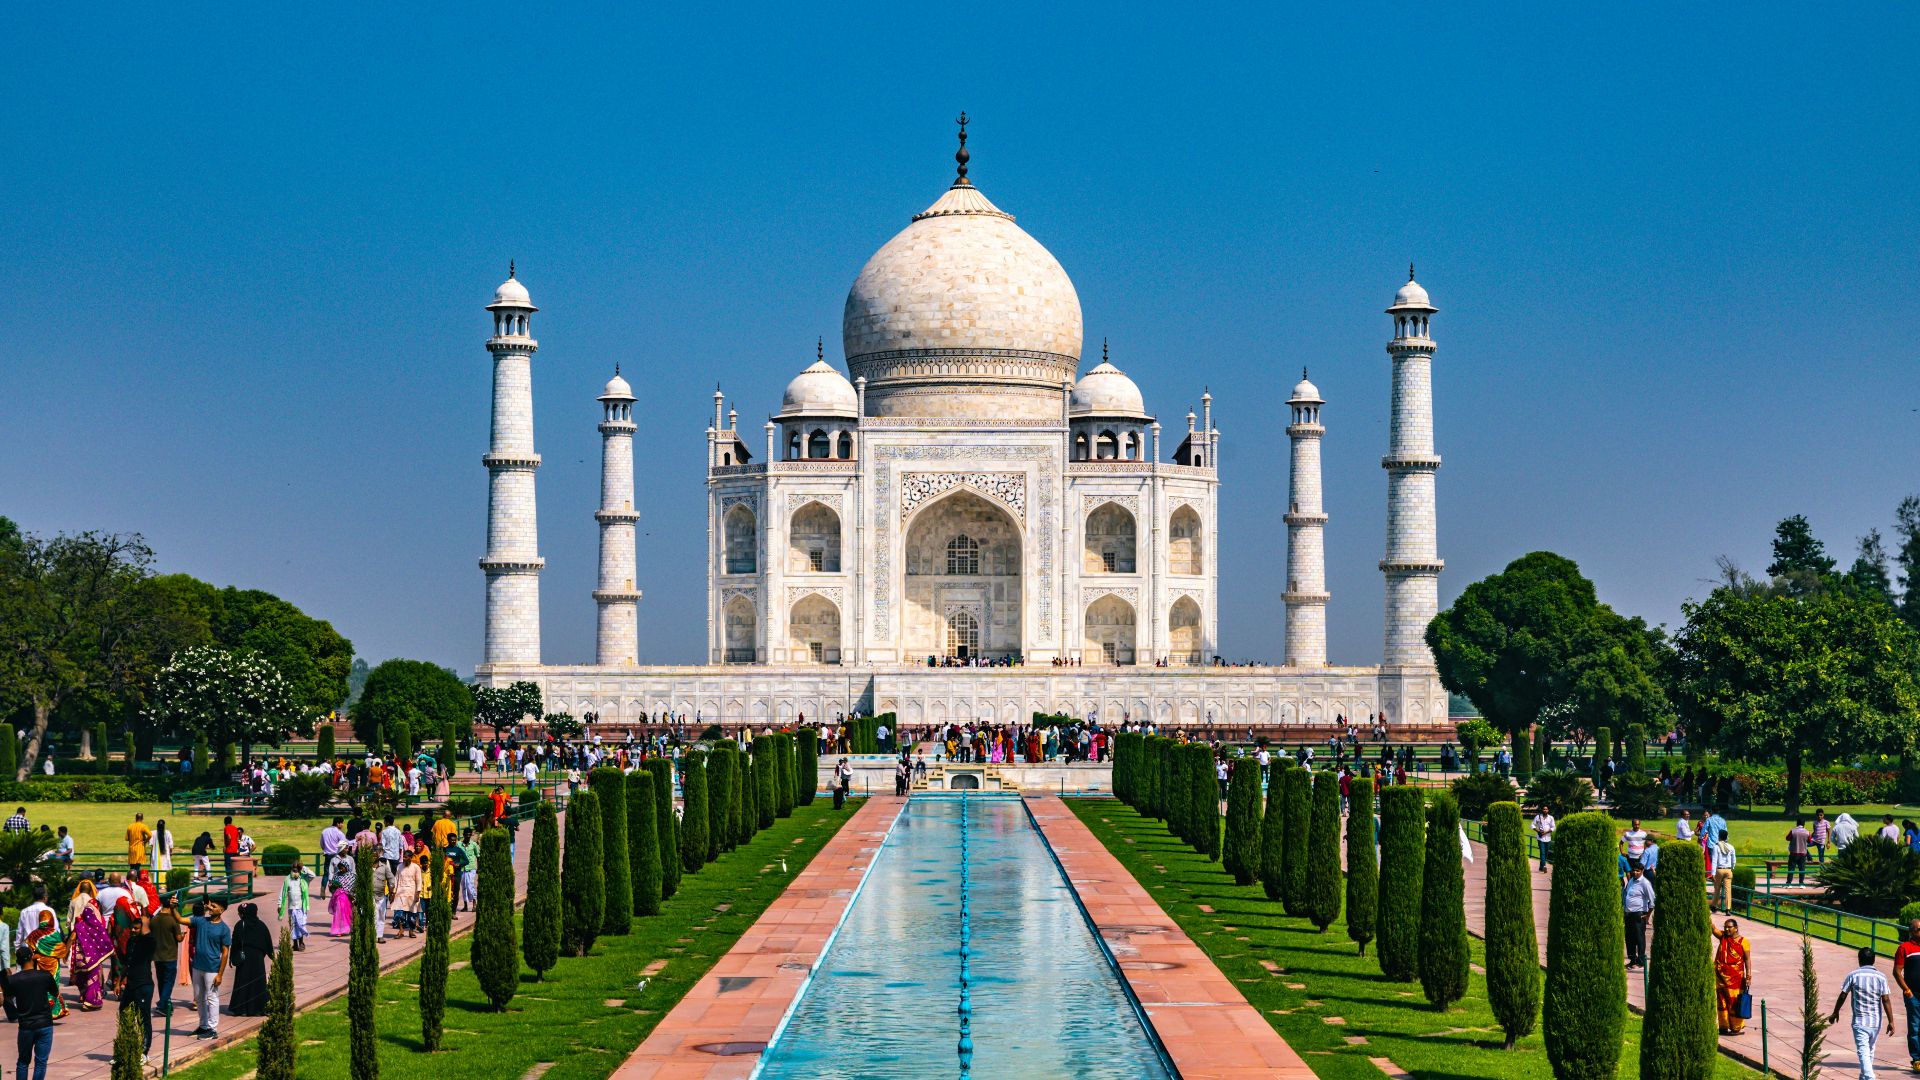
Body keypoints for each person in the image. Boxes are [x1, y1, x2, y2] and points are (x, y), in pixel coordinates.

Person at [1831, 946, 1895, 1079]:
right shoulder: (1881, 977)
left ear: (1859, 960)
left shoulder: (1853, 975)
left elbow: (1843, 995)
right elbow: (1886, 1000)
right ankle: (1863, 1077)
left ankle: (1870, 1077)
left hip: (1860, 1022)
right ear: (1874, 960)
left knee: (1863, 1051)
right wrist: (1891, 1021)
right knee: (1869, 1050)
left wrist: (1835, 1012)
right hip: (1876, 1022)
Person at [5, 944, 57, 1080]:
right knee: (41, 1063)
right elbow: (55, 992)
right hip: (45, 1024)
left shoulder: (13, 980)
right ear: (32, 957)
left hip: (26, 1026)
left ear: (18, 962)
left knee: (23, 1062)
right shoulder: (44, 975)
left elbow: (7, 997)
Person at [65, 882, 111, 1011]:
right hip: (92, 948)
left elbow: (69, 922)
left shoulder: (74, 902)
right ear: (91, 890)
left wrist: (66, 952)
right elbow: (100, 924)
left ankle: (83, 995)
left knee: (80, 974)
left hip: (77, 944)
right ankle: (91, 1000)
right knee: (94, 973)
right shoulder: (93, 904)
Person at [188, 900, 230, 1039]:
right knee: (199, 997)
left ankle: (212, 1029)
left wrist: (220, 974)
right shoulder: (201, 921)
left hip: (212, 969)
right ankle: (203, 1026)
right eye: (210, 905)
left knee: (212, 998)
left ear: (221, 910)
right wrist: (172, 908)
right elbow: (181, 919)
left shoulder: (224, 929)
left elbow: (225, 953)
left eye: (214, 906)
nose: (210, 907)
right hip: (197, 966)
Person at [120, 908, 156, 1062]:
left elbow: (147, 936)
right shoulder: (131, 941)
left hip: (144, 985)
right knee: (124, 1013)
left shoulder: (149, 941)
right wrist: (120, 981)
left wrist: (145, 920)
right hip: (130, 985)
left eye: (136, 928)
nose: (133, 930)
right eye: (132, 928)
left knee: (143, 1018)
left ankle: (144, 1052)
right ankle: (126, 1050)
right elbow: (127, 963)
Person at [225, 904, 272, 1017]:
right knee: (257, 983)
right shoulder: (261, 925)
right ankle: (258, 1009)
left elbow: (235, 942)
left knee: (243, 982)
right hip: (257, 960)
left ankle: (242, 1009)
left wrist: (232, 957)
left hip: (244, 959)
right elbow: (267, 942)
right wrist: (270, 955)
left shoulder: (240, 924)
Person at [1714, 919, 1752, 1036]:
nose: (1726, 929)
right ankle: (1723, 1026)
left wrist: (1749, 975)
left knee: (1734, 1002)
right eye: (1725, 927)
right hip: (1721, 977)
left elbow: (1747, 959)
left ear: (1736, 928)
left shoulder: (1744, 942)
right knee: (1721, 1002)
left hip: (1736, 978)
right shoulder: (1723, 937)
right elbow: (1713, 929)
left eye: (1729, 927)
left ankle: (1736, 1028)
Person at [1892, 918, 1920, 1070]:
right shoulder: (1904, 948)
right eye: (1919, 930)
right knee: (1914, 1027)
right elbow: (1897, 972)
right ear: (1912, 932)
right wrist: (1907, 991)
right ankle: (1917, 1059)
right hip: (1913, 995)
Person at [150, 893, 183, 1019]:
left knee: (161, 982)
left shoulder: (154, 919)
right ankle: (161, 1004)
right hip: (170, 956)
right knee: (169, 982)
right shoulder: (173, 921)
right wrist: (183, 935)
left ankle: (165, 1007)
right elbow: (179, 938)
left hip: (157, 956)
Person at [1622, 864, 1654, 969]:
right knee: (1629, 938)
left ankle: (1640, 962)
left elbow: (1652, 901)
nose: (1635, 873)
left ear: (1642, 871)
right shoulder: (1631, 880)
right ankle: (1632, 960)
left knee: (1639, 938)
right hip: (1628, 913)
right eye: (1634, 870)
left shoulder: (1645, 883)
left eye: (1637, 871)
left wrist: (1647, 915)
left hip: (1639, 914)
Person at [279, 857, 313, 950]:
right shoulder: (287, 880)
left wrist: (303, 867)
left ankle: (301, 942)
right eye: (293, 870)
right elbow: (282, 893)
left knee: (300, 924)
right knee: (293, 925)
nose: (295, 872)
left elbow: (312, 875)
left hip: (301, 907)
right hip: (291, 907)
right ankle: (295, 944)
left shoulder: (304, 879)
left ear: (299, 870)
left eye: (297, 870)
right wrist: (279, 904)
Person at [328, 850, 356, 937]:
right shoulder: (336, 875)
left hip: (347, 899)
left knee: (347, 914)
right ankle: (338, 930)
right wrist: (334, 887)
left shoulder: (351, 876)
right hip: (338, 899)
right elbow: (332, 887)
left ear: (346, 867)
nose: (340, 869)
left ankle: (347, 929)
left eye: (342, 867)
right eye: (339, 867)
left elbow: (353, 887)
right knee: (338, 914)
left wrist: (351, 895)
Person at [1711, 835, 1738, 914]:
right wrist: (1732, 868)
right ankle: (1728, 909)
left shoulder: (1716, 846)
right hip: (1728, 870)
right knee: (1728, 890)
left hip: (1719, 870)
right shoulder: (1731, 847)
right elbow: (1733, 860)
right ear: (1726, 837)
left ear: (1719, 837)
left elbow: (1714, 860)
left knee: (1717, 889)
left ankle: (1714, 905)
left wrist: (1713, 873)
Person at [1786, 818, 1814, 887]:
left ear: (1797, 823)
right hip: (1803, 853)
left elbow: (1787, 838)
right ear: (1804, 824)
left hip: (1793, 853)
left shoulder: (1793, 831)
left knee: (1791, 869)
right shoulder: (1807, 832)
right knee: (1802, 869)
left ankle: (1789, 883)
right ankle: (1801, 883)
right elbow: (1810, 841)